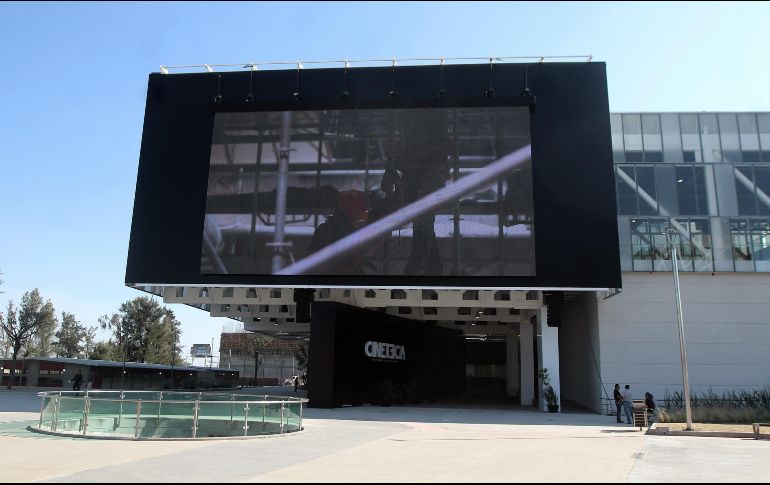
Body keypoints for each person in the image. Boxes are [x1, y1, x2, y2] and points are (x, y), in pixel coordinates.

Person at [306, 190, 373, 274]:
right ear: (354, 211)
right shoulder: (329, 232)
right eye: (364, 211)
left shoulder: (347, 231)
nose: (366, 215)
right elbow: (319, 266)